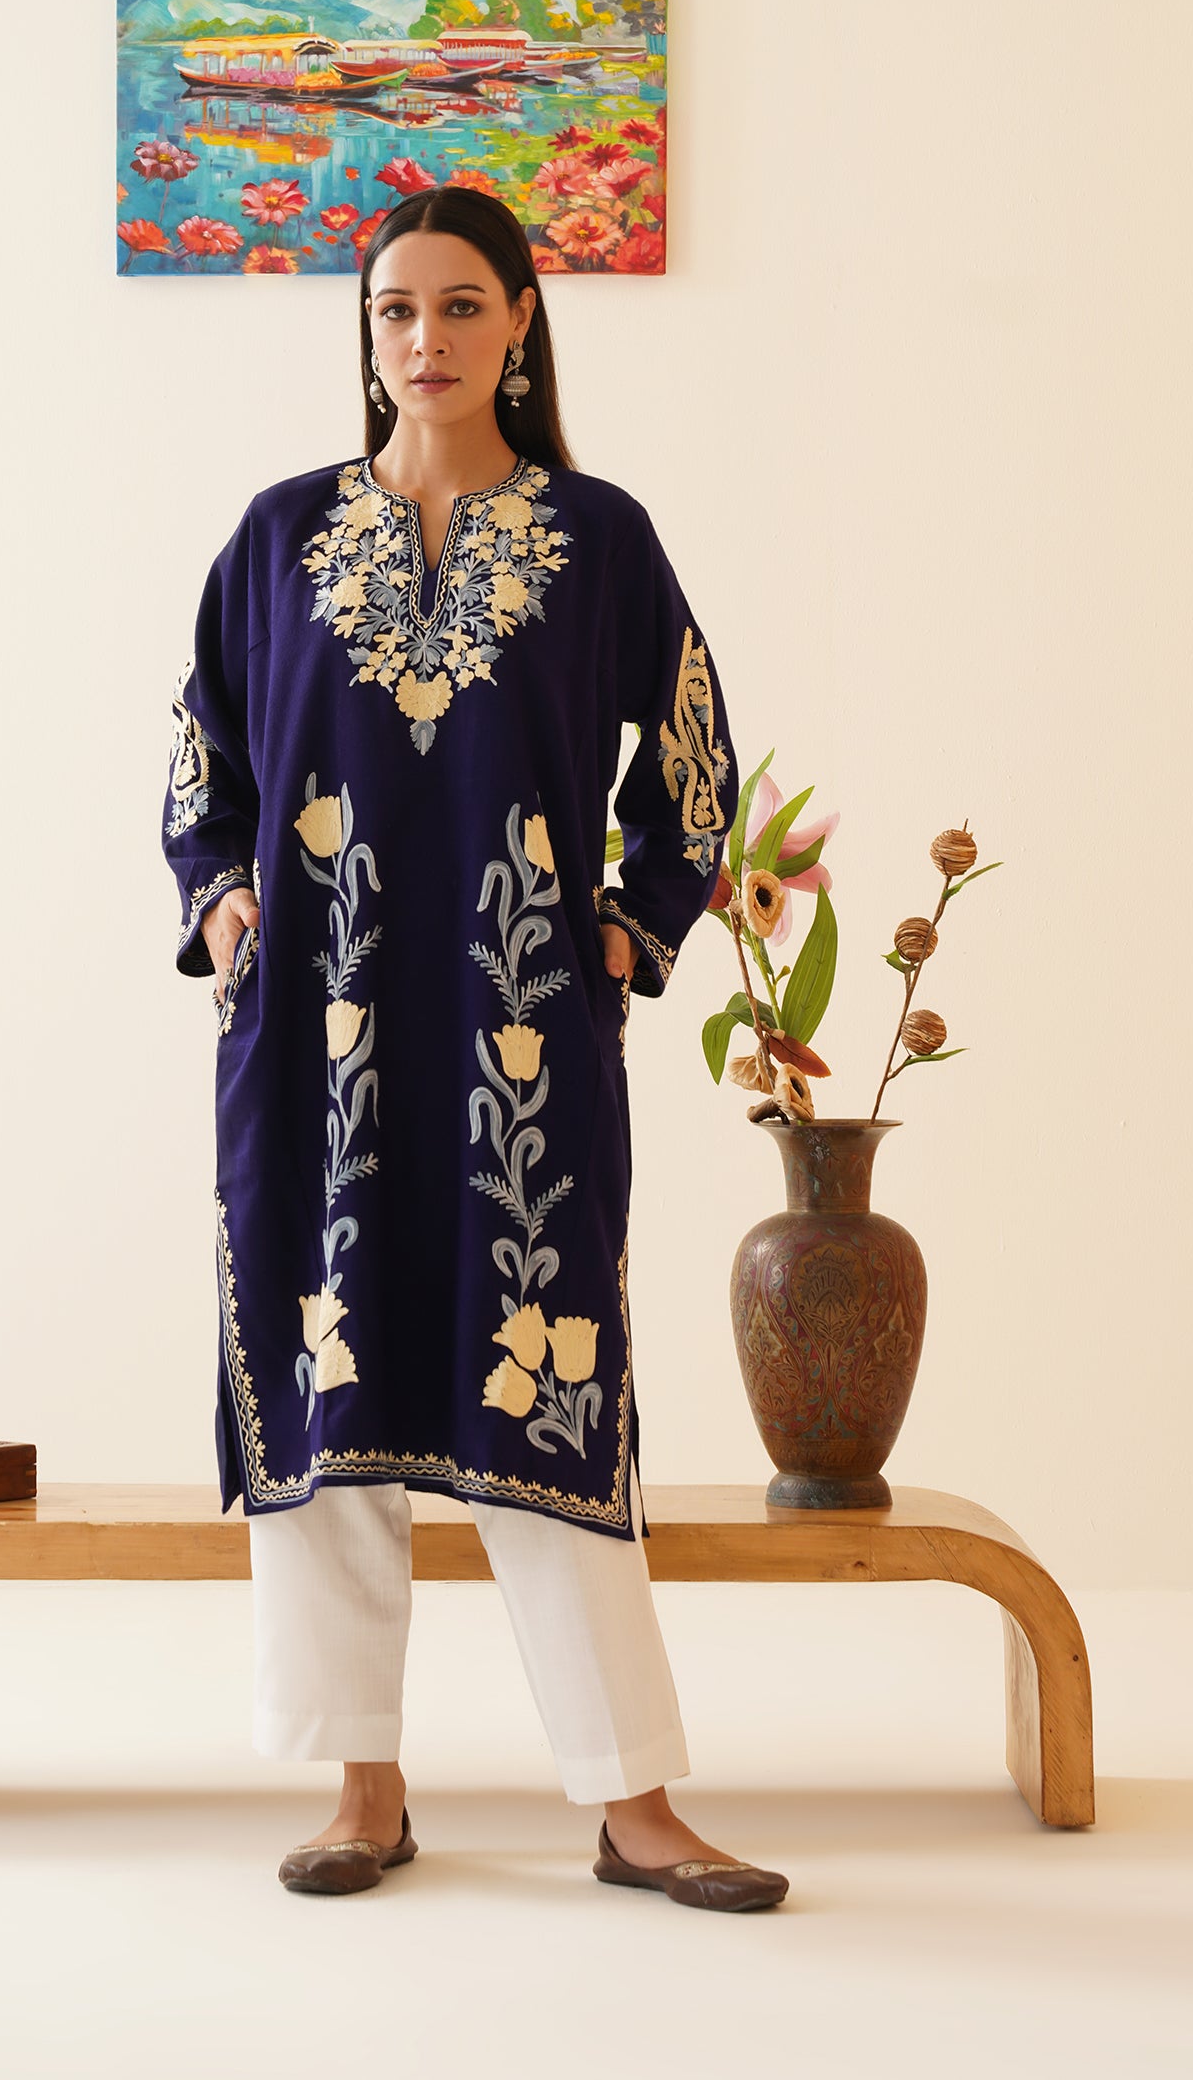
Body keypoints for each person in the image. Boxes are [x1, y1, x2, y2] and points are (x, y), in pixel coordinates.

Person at [162, 186, 788, 1911]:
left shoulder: (599, 537)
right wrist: (225, 905)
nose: (423, 339)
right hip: (323, 1031)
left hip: (521, 1030)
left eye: (457, 305)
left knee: (550, 1381)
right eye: (393, 310)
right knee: (328, 1379)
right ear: (365, 333)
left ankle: (633, 1803)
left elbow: (695, 756)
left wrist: (633, 926)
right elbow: (203, 753)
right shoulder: (282, 536)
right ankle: (362, 1785)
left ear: (519, 321)